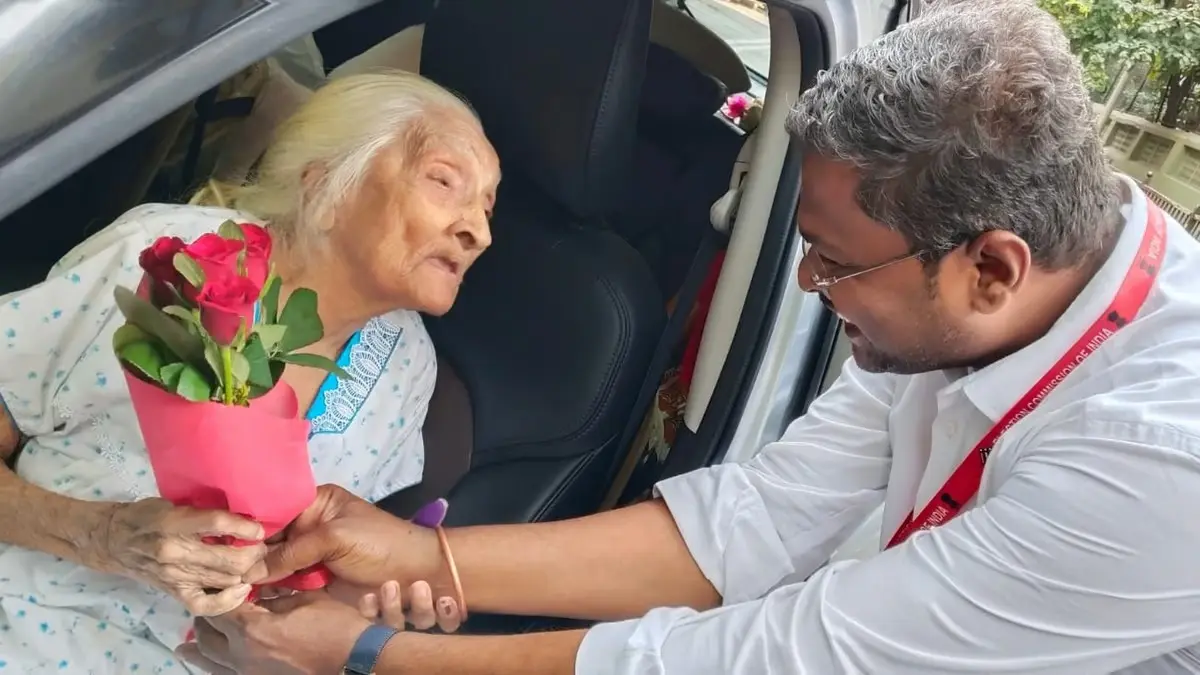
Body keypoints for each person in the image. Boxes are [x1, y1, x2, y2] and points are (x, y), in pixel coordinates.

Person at [185, 2, 1200, 674]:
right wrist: (418, 552)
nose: (809, 283)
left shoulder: (1161, 462)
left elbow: (786, 656)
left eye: (835, 264)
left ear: (992, 268)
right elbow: (749, 524)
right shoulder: (966, 309)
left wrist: (367, 655)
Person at [0, 71, 498, 673]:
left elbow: (306, 586)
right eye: (445, 182)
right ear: (325, 185)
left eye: (488, 205)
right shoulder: (166, 257)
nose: (479, 232)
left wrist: (370, 605)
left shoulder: (407, 367)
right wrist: (101, 534)